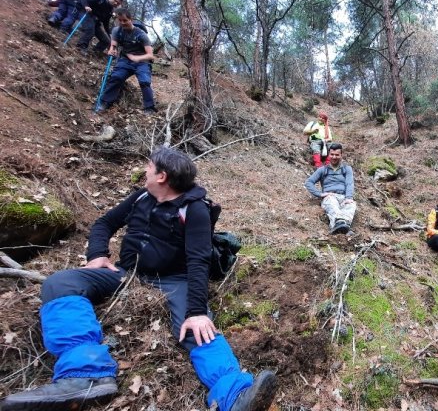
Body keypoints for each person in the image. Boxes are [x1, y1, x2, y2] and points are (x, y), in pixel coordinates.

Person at [0, 148, 277, 411]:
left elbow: (198, 261)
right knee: (59, 284)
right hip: (127, 274)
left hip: (174, 280)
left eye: (149, 166)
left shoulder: (195, 210)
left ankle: (233, 394)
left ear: (162, 176)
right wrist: (97, 255)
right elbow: (104, 224)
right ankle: (85, 374)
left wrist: (195, 312)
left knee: (196, 328)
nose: (144, 171)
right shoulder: (141, 197)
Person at [95, 8, 156, 113]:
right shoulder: (116, 31)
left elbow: (151, 56)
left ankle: (149, 108)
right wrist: (111, 50)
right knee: (116, 77)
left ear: (130, 19)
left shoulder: (141, 35)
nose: (122, 23)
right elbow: (113, 45)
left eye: (125, 20)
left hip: (142, 62)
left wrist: (137, 58)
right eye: (120, 20)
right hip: (125, 60)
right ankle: (105, 102)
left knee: (144, 81)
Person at [304, 143, 356, 234]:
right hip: (330, 196)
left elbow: (349, 183)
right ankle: (342, 226)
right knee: (332, 203)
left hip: (343, 197)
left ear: (341, 155)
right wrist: (320, 194)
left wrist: (349, 197)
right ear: (329, 154)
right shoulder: (323, 169)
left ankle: (341, 226)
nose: (334, 157)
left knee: (351, 205)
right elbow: (309, 182)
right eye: (332, 154)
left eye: (337, 155)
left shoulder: (346, 169)